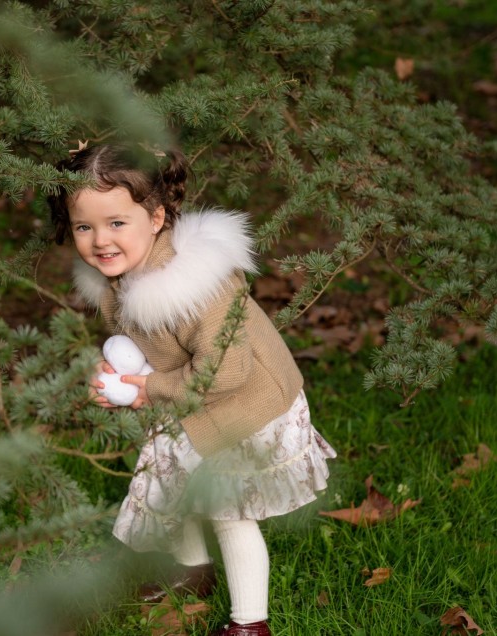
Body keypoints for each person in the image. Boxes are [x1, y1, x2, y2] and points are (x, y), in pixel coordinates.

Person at [48, 142, 337, 636]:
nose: (100, 240)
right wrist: (119, 369)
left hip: (247, 398)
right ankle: (192, 573)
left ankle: (250, 623)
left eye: (117, 223)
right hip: (187, 389)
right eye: (84, 226)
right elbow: (139, 337)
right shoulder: (119, 278)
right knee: (172, 475)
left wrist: (146, 389)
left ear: (156, 217)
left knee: (227, 507)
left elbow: (224, 373)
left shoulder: (198, 286)